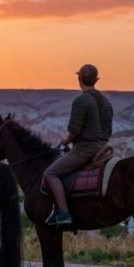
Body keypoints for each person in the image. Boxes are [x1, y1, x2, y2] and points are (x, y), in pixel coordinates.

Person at [43, 63, 114, 226]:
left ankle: (64, 213)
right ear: (96, 80)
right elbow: (108, 130)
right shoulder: (107, 102)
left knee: (50, 173)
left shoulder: (81, 100)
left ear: (80, 79)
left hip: (85, 149)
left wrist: (64, 142)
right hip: (103, 148)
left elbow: (74, 131)